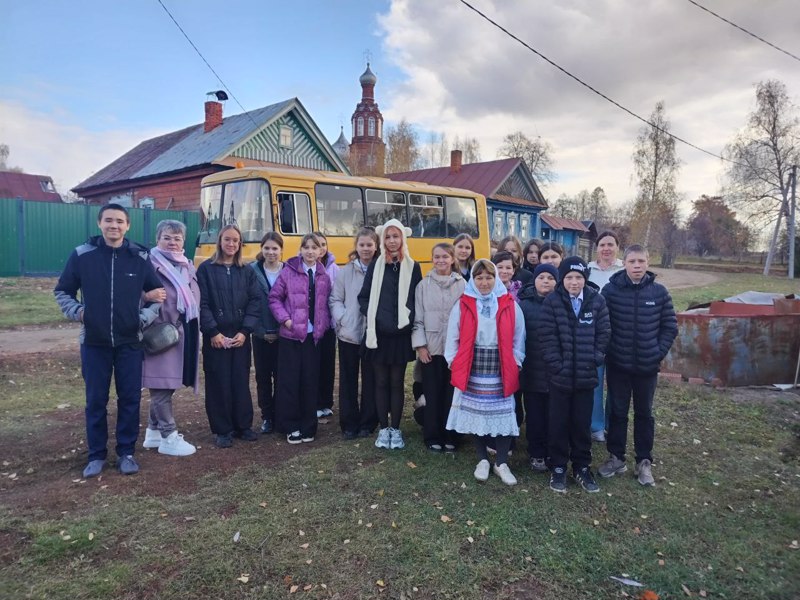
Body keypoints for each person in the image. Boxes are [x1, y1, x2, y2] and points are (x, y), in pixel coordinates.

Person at [54, 203, 165, 477]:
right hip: (94, 342)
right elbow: (63, 291)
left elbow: (157, 293)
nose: (113, 226)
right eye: (108, 221)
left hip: (130, 342)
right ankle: (96, 455)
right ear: (99, 223)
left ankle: (126, 452)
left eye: (119, 221)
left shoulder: (139, 257)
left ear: (127, 226)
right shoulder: (83, 255)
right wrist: (79, 313)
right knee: (95, 401)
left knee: (129, 400)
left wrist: (142, 318)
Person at [599, 245, 677, 486]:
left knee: (644, 414)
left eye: (641, 261)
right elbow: (603, 325)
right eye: (632, 261)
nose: (636, 266)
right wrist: (610, 351)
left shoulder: (659, 293)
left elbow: (670, 327)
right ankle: (616, 457)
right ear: (624, 263)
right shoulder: (610, 291)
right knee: (617, 413)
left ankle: (644, 461)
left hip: (646, 368)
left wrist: (657, 352)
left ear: (648, 262)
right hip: (619, 365)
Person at [445, 259, 526, 485]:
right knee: (477, 414)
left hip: (501, 368)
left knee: (503, 413)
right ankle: (482, 458)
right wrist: (453, 361)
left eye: (489, 277)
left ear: (496, 278)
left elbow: (519, 337)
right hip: (473, 367)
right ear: (473, 279)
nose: (484, 282)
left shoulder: (509, 303)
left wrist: (516, 362)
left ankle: (501, 462)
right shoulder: (463, 304)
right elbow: (453, 335)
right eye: (479, 277)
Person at [540, 256, 610, 493]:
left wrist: (595, 358)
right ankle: (558, 466)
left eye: (578, 277)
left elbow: (603, 333)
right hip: (560, 377)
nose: (573, 282)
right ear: (562, 279)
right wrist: (557, 365)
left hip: (586, 376)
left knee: (581, 424)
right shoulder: (553, 301)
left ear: (585, 279)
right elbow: (547, 337)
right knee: (558, 423)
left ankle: (581, 466)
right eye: (569, 277)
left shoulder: (596, 301)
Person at [358, 219, 422, 450]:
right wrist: (376, 319)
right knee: (381, 381)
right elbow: (363, 297)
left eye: (396, 236)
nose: (392, 241)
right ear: (382, 240)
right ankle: (383, 428)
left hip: (400, 335)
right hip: (378, 335)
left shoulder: (412, 266)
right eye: (388, 237)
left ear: (402, 239)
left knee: (396, 382)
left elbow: (416, 299)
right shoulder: (376, 266)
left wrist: (405, 322)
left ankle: (396, 429)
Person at [197, 225, 261, 448]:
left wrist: (245, 331)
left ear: (240, 243)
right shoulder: (206, 269)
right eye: (227, 240)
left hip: (240, 336)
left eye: (236, 240)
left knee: (240, 381)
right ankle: (223, 429)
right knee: (218, 382)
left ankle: (243, 425)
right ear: (220, 241)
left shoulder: (247, 270)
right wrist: (213, 332)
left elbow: (255, 302)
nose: (231, 244)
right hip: (216, 337)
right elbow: (202, 303)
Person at [141, 220, 200, 457]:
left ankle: (153, 432)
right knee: (161, 386)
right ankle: (169, 436)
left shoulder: (187, 265)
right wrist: (146, 295)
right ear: (158, 239)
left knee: (168, 383)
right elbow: (135, 295)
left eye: (177, 238)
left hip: (183, 333)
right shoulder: (148, 264)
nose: (172, 242)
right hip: (160, 334)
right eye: (167, 237)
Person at [269, 233, 332, 444]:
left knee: (309, 382)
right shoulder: (289, 272)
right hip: (291, 337)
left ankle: (308, 425)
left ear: (320, 251)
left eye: (315, 248)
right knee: (290, 382)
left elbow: (325, 305)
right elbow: (274, 298)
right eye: (306, 247)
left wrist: (322, 326)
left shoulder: (324, 275)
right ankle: (291, 425)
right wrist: (286, 320)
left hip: (313, 338)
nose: (311, 251)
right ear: (301, 250)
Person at [412, 243, 465, 452]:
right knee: (432, 394)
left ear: (452, 259)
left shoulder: (463, 285)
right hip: (431, 350)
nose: (441, 260)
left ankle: (451, 435)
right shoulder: (423, 286)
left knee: (451, 395)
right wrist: (421, 346)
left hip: (454, 351)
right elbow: (417, 319)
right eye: (436, 257)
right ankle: (432, 436)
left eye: (445, 257)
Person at [330, 228, 379, 440]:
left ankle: (368, 423)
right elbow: (335, 299)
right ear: (356, 247)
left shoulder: (380, 269)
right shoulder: (346, 271)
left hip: (373, 334)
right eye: (362, 245)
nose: (366, 249)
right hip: (349, 333)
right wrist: (343, 318)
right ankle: (349, 423)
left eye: (369, 245)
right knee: (348, 379)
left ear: (376, 246)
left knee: (371, 379)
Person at [517, 263, 559, 473]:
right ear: (534, 280)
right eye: (541, 277)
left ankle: (553, 451)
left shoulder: (562, 304)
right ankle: (536, 453)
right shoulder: (523, 305)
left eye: (550, 278)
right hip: (531, 370)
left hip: (555, 372)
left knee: (554, 415)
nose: (545, 281)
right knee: (534, 415)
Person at [587, 231, 625, 443]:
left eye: (611, 244)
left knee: (616, 383)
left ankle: (612, 423)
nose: (606, 248)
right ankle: (596, 426)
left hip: (620, 333)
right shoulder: (588, 270)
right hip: (594, 334)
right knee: (595, 382)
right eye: (602, 244)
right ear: (597, 248)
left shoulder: (623, 269)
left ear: (617, 247)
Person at [249, 232, 284, 435]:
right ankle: (267, 417)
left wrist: (281, 331)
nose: (271, 252)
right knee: (263, 378)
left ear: (281, 250)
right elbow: (249, 303)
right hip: (260, 334)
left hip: (283, 335)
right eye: (267, 248)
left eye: (275, 248)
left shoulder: (288, 270)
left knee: (281, 376)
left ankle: (280, 415)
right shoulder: (251, 271)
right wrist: (260, 331)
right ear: (262, 249)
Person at [313, 232, 340, 419]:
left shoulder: (335, 269)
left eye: (323, 244)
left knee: (327, 364)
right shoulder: (301, 266)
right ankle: (312, 401)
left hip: (328, 326)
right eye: (316, 245)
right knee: (311, 365)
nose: (320, 248)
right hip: (310, 326)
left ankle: (325, 402)